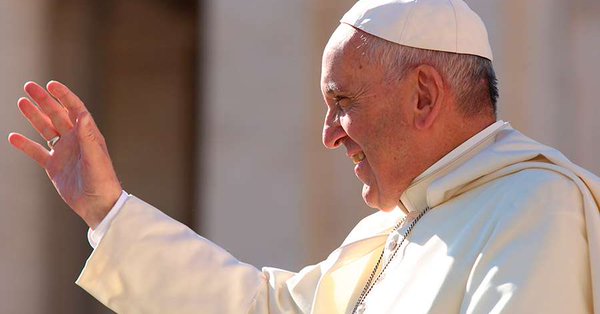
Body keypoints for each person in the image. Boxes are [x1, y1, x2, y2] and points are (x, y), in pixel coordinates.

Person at [8, 0, 600, 313]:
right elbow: (264, 310)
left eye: (343, 101)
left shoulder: (535, 208)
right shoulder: (395, 230)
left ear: (423, 95)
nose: (329, 134)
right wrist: (107, 210)